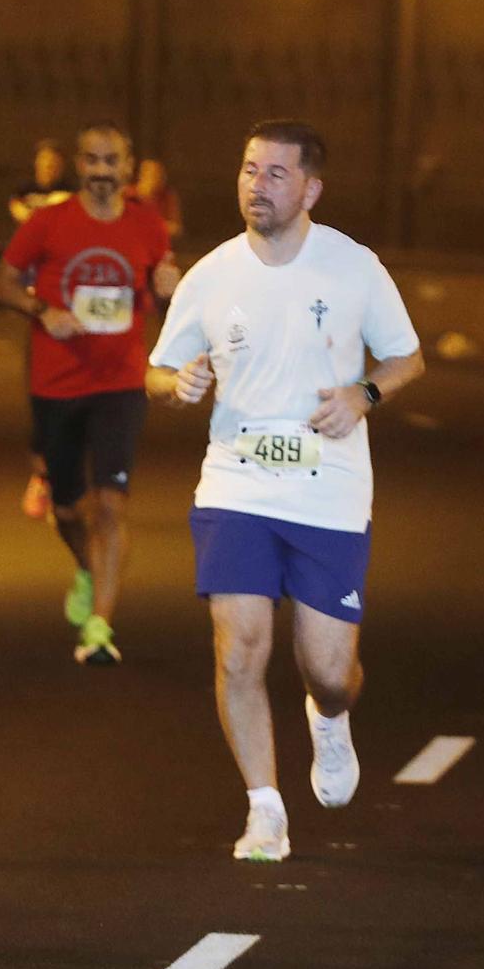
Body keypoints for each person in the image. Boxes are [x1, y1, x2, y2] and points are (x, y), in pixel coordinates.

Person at [146, 119, 423, 862]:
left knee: (328, 672)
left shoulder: (352, 266)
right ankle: (264, 808)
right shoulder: (211, 274)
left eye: (274, 174)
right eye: (247, 169)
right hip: (237, 481)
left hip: (329, 490)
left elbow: (407, 358)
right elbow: (157, 369)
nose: (256, 185)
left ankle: (329, 720)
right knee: (240, 649)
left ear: (311, 188)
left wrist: (364, 392)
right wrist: (179, 381)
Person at [0, 121, 179, 665]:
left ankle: (99, 626)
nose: (101, 171)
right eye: (92, 160)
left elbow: (161, 293)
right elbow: (0, 282)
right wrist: (41, 309)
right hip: (57, 384)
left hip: (120, 383)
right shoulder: (49, 221)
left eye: (110, 161)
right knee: (69, 509)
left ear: (127, 166)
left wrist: (168, 288)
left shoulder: (149, 226)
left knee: (113, 501)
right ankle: (87, 568)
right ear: (79, 165)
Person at [9, 138, 78, 518]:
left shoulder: (73, 196)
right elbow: (22, 217)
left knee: (79, 393)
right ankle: (42, 475)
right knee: (41, 391)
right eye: (43, 162)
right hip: (38, 305)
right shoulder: (25, 192)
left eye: (55, 162)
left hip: (71, 302)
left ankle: (69, 476)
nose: (49, 169)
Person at [8, 138, 75, 224]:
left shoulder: (70, 190)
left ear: (61, 166)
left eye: (54, 161)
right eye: (44, 159)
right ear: (36, 162)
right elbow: (18, 212)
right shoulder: (23, 189)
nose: (48, 165)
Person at [129, 157, 184, 243]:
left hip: (159, 245)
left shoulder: (167, 196)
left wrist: (150, 226)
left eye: (160, 174)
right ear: (141, 176)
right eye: (152, 174)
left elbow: (176, 228)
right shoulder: (128, 196)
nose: (158, 178)